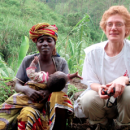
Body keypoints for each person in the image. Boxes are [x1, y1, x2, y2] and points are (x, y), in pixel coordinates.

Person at [0, 23, 73, 130]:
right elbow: (17, 84)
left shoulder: (61, 63)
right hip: (29, 103)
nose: (45, 44)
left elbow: (64, 88)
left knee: (59, 96)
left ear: (54, 43)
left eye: (49, 40)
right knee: (27, 114)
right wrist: (27, 90)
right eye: (41, 41)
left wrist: (48, 92)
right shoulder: (28, 60)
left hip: (51, 105)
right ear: (36, 43)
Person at [74, 5, 130, 130]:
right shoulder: (93, 52)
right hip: (102, 103)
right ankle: (101, 124)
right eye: (109, 24)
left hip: (126, 105)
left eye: (119, 24)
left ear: (127, 29)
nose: (113, 28)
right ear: (105, 29)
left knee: (129, 93)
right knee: (87, 99)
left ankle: (124, 125)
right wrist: (100, 88)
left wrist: (124, 79)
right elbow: (90, 81)